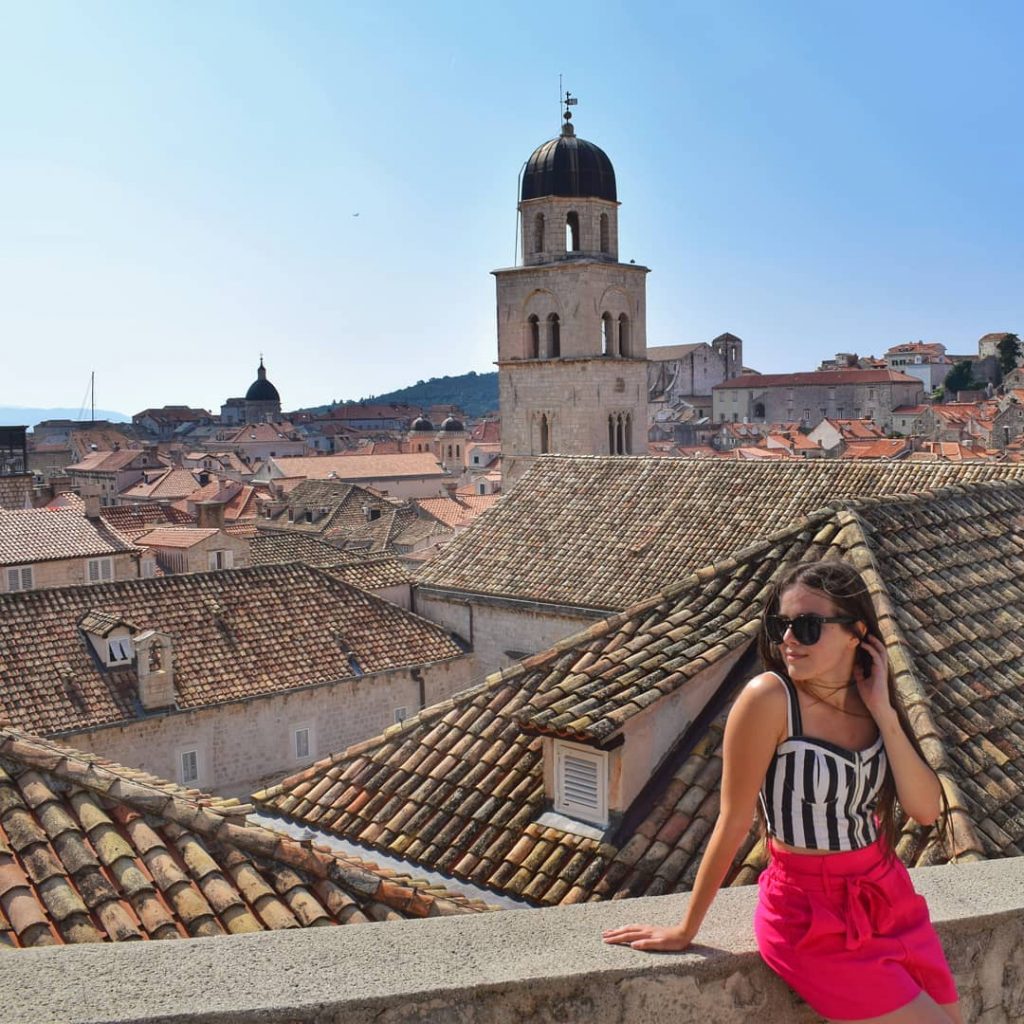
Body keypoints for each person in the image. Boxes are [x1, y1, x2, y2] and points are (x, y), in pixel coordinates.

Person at [602, 559, 961, 1024]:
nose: (788, 639)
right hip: (809, 917)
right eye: (781, 625)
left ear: (856, 633)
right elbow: (731, 822)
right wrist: (686, 927)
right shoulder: (769, 699)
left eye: (808, 626)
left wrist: (885, 713)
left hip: (887, 896)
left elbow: (926, 809)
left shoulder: (872, 700)